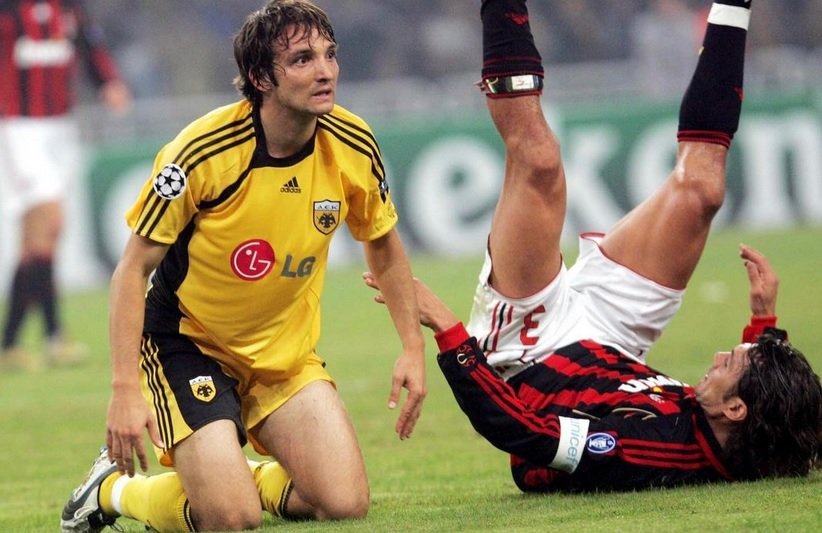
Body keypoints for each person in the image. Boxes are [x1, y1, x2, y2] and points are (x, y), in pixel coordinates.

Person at [365, 0, 822, 491]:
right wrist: (763, 325)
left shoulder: (645, 448)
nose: (717, 356)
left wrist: (446, 326)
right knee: (703, 191)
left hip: (531, 354)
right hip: (614, 341)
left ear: (734, 409)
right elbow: (777, 414)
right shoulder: (732, 429)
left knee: (539, 160)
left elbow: (524, 433)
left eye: (731, 362)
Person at [60, 1, 426, 532]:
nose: (325, 71)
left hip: (284, 356)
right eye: (302, 60)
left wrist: (412, 348)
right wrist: (124, 391)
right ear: (260, 78)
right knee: (232, 520)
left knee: (344, 504)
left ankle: (230, 478)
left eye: (329, 55)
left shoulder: (352, 142)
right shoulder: (202, 152)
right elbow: (132, 270)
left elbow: (384, 246)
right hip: (189, 345)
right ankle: (113, 490)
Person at [0, 0, 131, 370]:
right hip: (19, 128)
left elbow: (91, 46)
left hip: (62, 127)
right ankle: (55, 337)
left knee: (37, 243)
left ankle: (10, 344)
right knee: (51, 222)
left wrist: (109, 83)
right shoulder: (9, 10)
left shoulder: (69, 9)